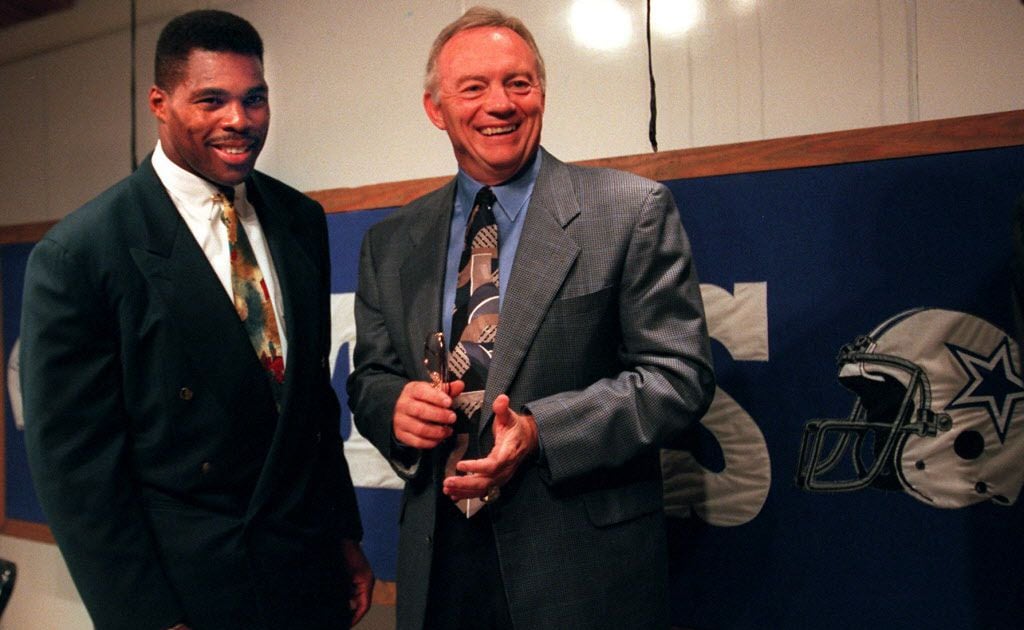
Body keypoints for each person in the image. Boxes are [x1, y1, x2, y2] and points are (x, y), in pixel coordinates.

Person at [347, 6, 714, 629]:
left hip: (581, 574)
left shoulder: (630, 211)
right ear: (436, 109)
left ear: (541, 93)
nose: (502, 104)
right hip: (438, 570)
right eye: (474, 87)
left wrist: (542, 430)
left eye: (519, 83)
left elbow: (679, 377)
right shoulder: (390, 241)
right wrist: (394, 407)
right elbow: (371, 377)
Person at [20, 10, 372, 630]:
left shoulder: (298, 219)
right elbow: (78, 473)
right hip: (195, 597)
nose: (239, 120)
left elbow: (311, 406)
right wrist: (145, 617)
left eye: (253, 99)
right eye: (212, 99)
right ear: (160, 102)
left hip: (308, 576)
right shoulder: (82, 252)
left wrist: (343, 534)